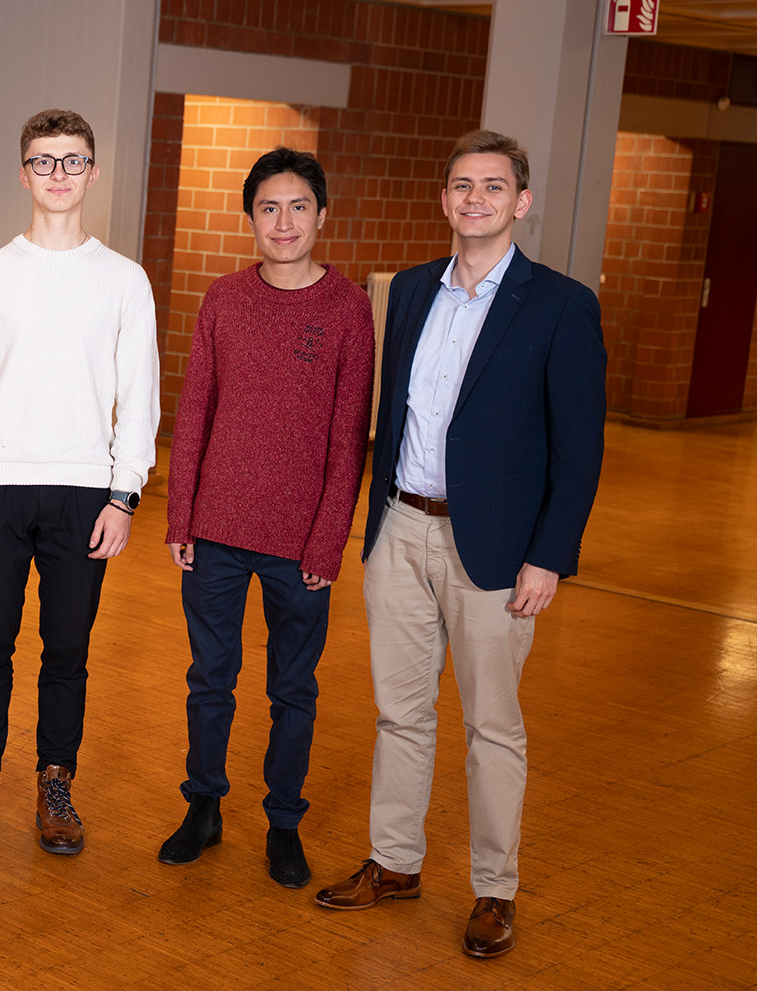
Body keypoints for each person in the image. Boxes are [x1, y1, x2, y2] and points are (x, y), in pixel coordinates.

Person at [313, 130, 606, 960]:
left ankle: (494, 889)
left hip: (498, 549)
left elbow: (577, 448)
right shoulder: (406, 292)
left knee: (492, 726)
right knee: (399, 715)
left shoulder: (558, 303)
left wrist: (549, 554)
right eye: (461, 186)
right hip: (402, 528)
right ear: (444, 201)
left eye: (493, 186)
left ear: (522, 201)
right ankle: (395, 863)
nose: (475, 198)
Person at [0, 108, 159, 855]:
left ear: (92, 173)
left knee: (67, 650)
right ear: (23, 171)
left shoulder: (124, 281)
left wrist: (124, 494)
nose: (58, 174)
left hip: (84, 495)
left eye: (72, 161)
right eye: (44, 160)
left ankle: (56, 785)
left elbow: (142, 399)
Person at [156, 148, 374, 888]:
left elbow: (349, 439)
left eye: (298, 207)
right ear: (251, 217)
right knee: (209, 680)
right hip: (215, 528)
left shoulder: (348, 309)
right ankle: (204, 807)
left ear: (321, 214)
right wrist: (179, 514)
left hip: (298, 543)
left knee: (293, 692)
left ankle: (284, 822)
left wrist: (328, 540)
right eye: (269, 208)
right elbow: (195, 413)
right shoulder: (223, 298)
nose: (284, 222)